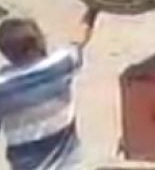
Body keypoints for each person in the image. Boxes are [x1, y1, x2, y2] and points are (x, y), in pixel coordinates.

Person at [0, 10, 98, 170]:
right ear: (37, 42)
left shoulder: (3, 86)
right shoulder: (58, 66)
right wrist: (94, 7)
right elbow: (79, 38)